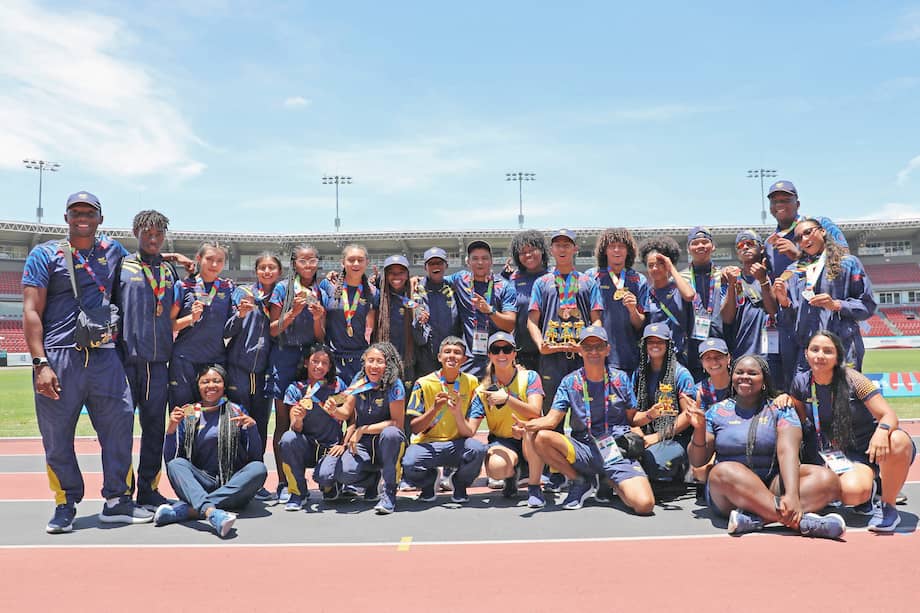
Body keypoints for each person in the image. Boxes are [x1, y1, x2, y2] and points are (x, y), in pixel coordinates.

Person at [23, 191, 153, 532]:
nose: (83, 217)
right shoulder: (44, 254)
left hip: (105, 356)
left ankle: (118, 500)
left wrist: (164, 255)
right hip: (59, 356)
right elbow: (31, 310)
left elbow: (141, 268)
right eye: (76, 212)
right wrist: (40, 364)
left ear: (100, 218)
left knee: (121, 426)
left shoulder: (114, 251)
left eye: (89, 212)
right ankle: (65, 503)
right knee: (56, 435)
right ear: (66, 217)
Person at [686, 354, 845, 538]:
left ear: (764, 380)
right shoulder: (717, 411)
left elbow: (788, 451)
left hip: (773, 484)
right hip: (731, 493)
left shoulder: (781, 409)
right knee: (723, 470)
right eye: (739, 372)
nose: (745, 376)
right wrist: (698, 429)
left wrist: (792, 495)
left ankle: (756, 519)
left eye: (752, 373)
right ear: (732, 377)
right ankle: (801, 522)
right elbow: (698, 460)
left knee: (828, 480)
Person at [786, 331, 916, 532]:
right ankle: (864, 489)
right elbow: (799, 420)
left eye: (827, 351)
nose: (820, 355)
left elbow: (889, 415)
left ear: (837, 356)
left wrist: (882, 431)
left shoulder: (854, 379)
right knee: (850, 493)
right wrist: (782, 400)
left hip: (866, 450)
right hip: (830, 453)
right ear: (806, 354)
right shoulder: (801, 382)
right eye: (815, 349)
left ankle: (887, 506)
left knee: (897, 439)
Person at [520, 325, 655, 514]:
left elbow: (632, 419)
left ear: (608, 349)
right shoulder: (570, 382)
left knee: (644, 505)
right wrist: (528, 425)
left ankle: (609, 481)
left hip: (615, 449)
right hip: (583, 447)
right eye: (588, 347)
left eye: (599, 346)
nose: (594, 351)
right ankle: (579, 480)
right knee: (541, 437)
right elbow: (551, 420)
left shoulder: (621, 379)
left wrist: (651, 414)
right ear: (580, 350)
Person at [114, 209, 182, 509]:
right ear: (135, 233)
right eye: (147, 233)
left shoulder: (169, 272)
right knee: (121, 427)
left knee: (154, 428)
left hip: (158, 362)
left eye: (158, 234)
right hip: (126, 359)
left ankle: (149, 489)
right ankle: (121, 491)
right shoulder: (121, 266)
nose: (153, 239)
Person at [155, 365, 267, 538]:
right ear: (198, 386)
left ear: (224, 385)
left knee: (259, 469)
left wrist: (251, 428)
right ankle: (212, 513)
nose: (211, 386)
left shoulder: (236, 410)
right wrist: (171, 430)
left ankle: (190, 510)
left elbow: (255, 457)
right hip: (201, 482)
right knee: (176, 464)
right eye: (205, 382)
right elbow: (172, 459)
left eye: (217, 381)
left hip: (233, 483)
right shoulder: (190, 412)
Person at [764, 180, 849, 387]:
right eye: (775, 201)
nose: (779, 204)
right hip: (791, 320)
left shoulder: (819, 224)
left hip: (824, 315)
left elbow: (844, 258)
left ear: (798, 204)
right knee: (796, 383)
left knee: (833, 380)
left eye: (786, 199)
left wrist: (798, 254)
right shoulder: (769, 242)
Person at [314, 342, 407, 515]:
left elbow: (397, 423)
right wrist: (334, 410)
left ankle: (389, 493)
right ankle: (371, 479)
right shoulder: (359, 379)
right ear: (364, 361)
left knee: (392, 434)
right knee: (337, 474)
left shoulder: (395, 385)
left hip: (385, 440)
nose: (374, 365)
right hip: (362, 443)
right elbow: (346, 411)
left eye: (380, 361)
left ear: (388, 364)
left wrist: (362, 429)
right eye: (370, 360)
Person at [773, 218, 876, 373]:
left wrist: (836, 305)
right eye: (798, 238)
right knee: (804, 396)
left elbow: (867, 306)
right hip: (808, 353)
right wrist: (784, 302)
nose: (804, 239)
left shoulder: (848, 263)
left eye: (808, 232)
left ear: (822, 231)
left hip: (843, 348)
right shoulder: (793, 271)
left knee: (845, 397)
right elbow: (789, 320)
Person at [267, 244, 326, 502]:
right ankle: (283, 481)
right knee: (283, 421)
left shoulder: (323, 289)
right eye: (303, 261)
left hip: (311, 356)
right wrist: (294, 312)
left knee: (319, 417)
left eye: (312, 260)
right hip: (285, 355)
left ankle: (325, 477)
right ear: (294, 263)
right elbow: (272, 329)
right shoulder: (283, 288)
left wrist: (316, 317)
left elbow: (322, 335)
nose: (309, 265)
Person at [403, 336, 488, 504]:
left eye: (457, 353)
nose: (452, 356)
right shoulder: (423, 383)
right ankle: (429, 481)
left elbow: (470, 431)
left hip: (457, 444)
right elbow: (414, 428)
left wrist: (457, 413)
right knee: (409, 462)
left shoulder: (471, 382)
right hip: (428, 444)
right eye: (447, 352)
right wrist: (434, 409)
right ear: (439, 357)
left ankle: (459, 483)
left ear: (464, 359)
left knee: (478, 449)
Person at [527, 229, 603, 410]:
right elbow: (531, 321)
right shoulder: (542, 282)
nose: (562, 249)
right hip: (551, 358)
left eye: (567, 245)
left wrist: (588, 345)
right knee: (551, 413)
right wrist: (540, 345)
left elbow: (597, 321)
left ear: (575, 249)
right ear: (551, 249)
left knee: (586, 413)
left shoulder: (588, 282)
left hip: (581, 357)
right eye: (558, 245)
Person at [468, 332, 544, 500]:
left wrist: (508, 399)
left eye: (507, 349)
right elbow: (470, 429)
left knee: (531, 433)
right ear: (489, 355)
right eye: (496, 350)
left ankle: (534, 487)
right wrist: (455, 413)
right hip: (503, 440)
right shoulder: (482, 390)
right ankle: (511, 475)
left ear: (514, 353)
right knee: (496, 468)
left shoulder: (530, 377)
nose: (501, 354)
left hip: (530, 437)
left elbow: (535, 412)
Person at [225, 252, 281, 467]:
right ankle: (234, 474)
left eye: (271, 267)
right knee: (237, 423)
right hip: (238, 369)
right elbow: (226, 330)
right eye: (262, 267)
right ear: (256, 271)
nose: (267, 271)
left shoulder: (282, 297)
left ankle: (255, 475)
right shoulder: (242, 293)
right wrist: (239, 315)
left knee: (259, 425)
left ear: (279, 272)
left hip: (264, 372)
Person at [278, 344, 347, 510]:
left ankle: (330, 484)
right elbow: (295, 428)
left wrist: (343, 443)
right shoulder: (295, 389)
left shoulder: (338, 386)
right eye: (315, 361)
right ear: (306, 363)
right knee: (287, 439)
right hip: (307, 446)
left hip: (331, 448)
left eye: (324, 363)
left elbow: (351, 418)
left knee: (325, 478)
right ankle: (298, 492)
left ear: (330, 366)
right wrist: (299, 419)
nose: (319, 366)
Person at [169, 242, 235, 407]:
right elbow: (169, 325)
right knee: (186, 412)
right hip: (185, 361)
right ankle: (184, 434)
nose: (214, 264)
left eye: (219, 260)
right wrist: (191, 318)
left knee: (212, 412)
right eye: (209, 259)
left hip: (215, 361)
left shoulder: (227, 288)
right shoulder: (183, 286)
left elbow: (230, 328)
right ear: (199, 259)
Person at [631, 324, 696, 483]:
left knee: (652, 462)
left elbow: (688, 416)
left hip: (675, 436)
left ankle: (679, 468)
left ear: (668, 345)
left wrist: (657, 437)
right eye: (650, 341)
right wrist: (638, 433)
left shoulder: (681, 374)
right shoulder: (639, 373)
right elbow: (631, 413)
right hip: (645, 431)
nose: (654, 345)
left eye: (660, 341)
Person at [444, 240, 516, 378]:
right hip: (468, 361)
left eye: (484, 258)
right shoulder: (461, 278)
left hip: (497, 359)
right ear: (468, 262)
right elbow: (437, 279)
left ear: (491, 261)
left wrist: (490, 311)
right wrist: (417, 280)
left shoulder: (504, 287)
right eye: (475, 259)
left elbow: (510, 324)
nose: (480, 263)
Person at [721, 230, 782, 386]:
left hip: (769, 348)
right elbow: (727, 318)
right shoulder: (733, 277)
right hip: (742, 347)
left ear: (761, 248)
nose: (745, 247)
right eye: (741, 245)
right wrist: (731, 285)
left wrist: (763, 280)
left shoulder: (772, 274)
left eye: (750, 243)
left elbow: (773, 310)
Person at [586, 227, 649, 375]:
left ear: (628, 251)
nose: (616, 250)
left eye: (621, 246)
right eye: (612, 246)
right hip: (597, 356)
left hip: (628, 358)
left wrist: (633, 310)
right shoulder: (591, 277)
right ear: (604, 250)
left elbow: (640, 324)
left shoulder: (638, 279)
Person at [319, 244, 378, 383]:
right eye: (351, 260)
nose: (356, 263)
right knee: (336, 402)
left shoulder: (373, 292)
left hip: (359, 359)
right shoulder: (328, 286)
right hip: (333, 359)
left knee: (356, 403)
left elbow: (373, 326)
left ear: (366, 263)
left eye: (360, 260)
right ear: (342, 262)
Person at [638, 236, 695, 367]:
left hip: (678, 356)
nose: (655, 269)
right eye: (650, 265)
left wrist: (671, 268)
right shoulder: (646, 294)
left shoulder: (678, 289)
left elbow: (690, 295)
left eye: (660, 264)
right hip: (653, 359)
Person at [680, 226, 727, 381]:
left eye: (705, 242)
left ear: (713, 246)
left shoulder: (724, 276)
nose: (700, 246)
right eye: (695, 243)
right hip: (693, 351)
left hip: (721, 348)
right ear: (688, 249)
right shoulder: (681, 279)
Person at [503, 230, 549, 371]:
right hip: (522, 353)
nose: (528, 255)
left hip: (550, 351)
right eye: (522, 252)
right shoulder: (512, 279)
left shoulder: (554, 276)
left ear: (542, 250)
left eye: (532, 249)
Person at [374, 255, 423, 384]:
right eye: (392, 273)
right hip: (383, 361)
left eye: (401, 273)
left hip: (408, 360)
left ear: (407, 275)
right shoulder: (378, 296)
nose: (396, 276)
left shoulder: (415, 293)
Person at [414, 247, 460, 377]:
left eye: (439, 263)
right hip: (426, 357)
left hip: (451, 354)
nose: (436, 266)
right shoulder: (415, 288)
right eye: (431, 263)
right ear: (425, 267)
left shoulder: (454, 288)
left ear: (446, 265)